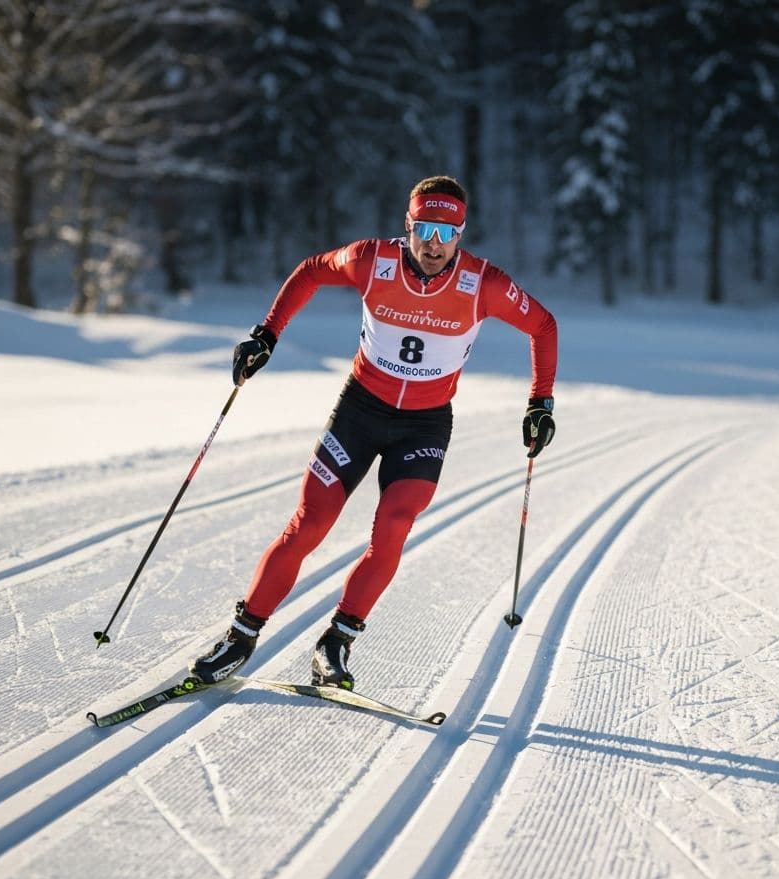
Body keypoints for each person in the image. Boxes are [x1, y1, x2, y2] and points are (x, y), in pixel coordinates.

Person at [188, 175, 557, 690]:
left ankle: (336, 642)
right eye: (425, 228)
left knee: (394, 524)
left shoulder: (483, 284)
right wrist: (267, 333)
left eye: (448, 232)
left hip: (425, 423)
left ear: (461, 234)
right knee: (310, 524)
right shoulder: (372, 260)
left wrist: (540, 401)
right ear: (408, 226)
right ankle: (240, 636)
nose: (435, 243)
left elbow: (543, 325)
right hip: (360, 410)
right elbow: (312, 270)